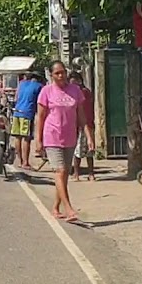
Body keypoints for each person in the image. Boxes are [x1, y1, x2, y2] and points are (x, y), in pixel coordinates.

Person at [36, 60, 95, 222]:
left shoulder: (75, 91)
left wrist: (89, 136)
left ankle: (55, 207)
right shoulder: (46, 92)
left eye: (63, 72)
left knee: (64, 175)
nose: (61, 76)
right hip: (52, 136)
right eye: (57, 73)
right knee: (60, 171)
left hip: (70, 137)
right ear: (52, 75)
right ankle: (69, 209)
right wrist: (38, 140)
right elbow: (40, 117)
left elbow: (81, 116)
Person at [10, 70, 44, 170]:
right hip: (27, 113)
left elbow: (16, 98)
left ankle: (20, 161)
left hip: (17, 112)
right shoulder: (39, 86)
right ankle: (25, 162)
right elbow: (40, 102)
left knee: (17, 137)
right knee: (26, 138)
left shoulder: (21, 84)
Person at [71, 71, 96, 180]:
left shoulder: (83, 93)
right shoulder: (82, 92)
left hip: (85, 126)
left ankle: (83, 174)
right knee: (80, 151)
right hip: (80, 125)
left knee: (85, 151)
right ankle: (80, 174)